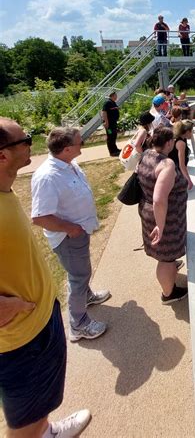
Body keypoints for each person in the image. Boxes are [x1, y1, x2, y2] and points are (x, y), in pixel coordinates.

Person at [0, 118, 92, 438]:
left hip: (39, 319)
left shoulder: (5, 191)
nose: (31, 142)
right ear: (2, 155)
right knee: (22, 421)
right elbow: (43, 216)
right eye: (24, 139)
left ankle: (46, 430)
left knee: (41, 404)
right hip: (20, 338)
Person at [31, 127, 110, 343]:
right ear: (67, 149)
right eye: (80, 142)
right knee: (78, 276)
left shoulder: (67, 164)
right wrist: (70, 229)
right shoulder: (48, 177)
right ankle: (78, 324)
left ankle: (86, 296)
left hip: (78, 233)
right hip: (68, 237)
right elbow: (39, 217)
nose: (82, 144)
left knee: (80, 271)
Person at [136, 127, 188, 304]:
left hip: (148, 211)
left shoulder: (146, 154)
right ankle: (169, 294)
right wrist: (161, 225)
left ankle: (171, 268)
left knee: (166, 256)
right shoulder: (167, 165)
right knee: (166, 257)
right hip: (165, 217)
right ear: (168, 143)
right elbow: (159, 199)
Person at [169, 120, 194, 190]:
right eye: (191, 131)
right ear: (187, 132)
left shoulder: (181, 139)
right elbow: (181, 165)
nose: (192, 133)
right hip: (174, 171)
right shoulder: (181, 143)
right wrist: (189, 180)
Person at [101, 90, 120, 157]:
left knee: (114, 135)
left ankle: (115, 149)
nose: (116, 96)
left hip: (113, 123)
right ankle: (112, 152)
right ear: (112, 95)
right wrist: (106, 122)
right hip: (109, 124)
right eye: (115, 95)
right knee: (110, 136)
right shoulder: (107, 102)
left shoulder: (112, 102)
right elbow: (104, 112)